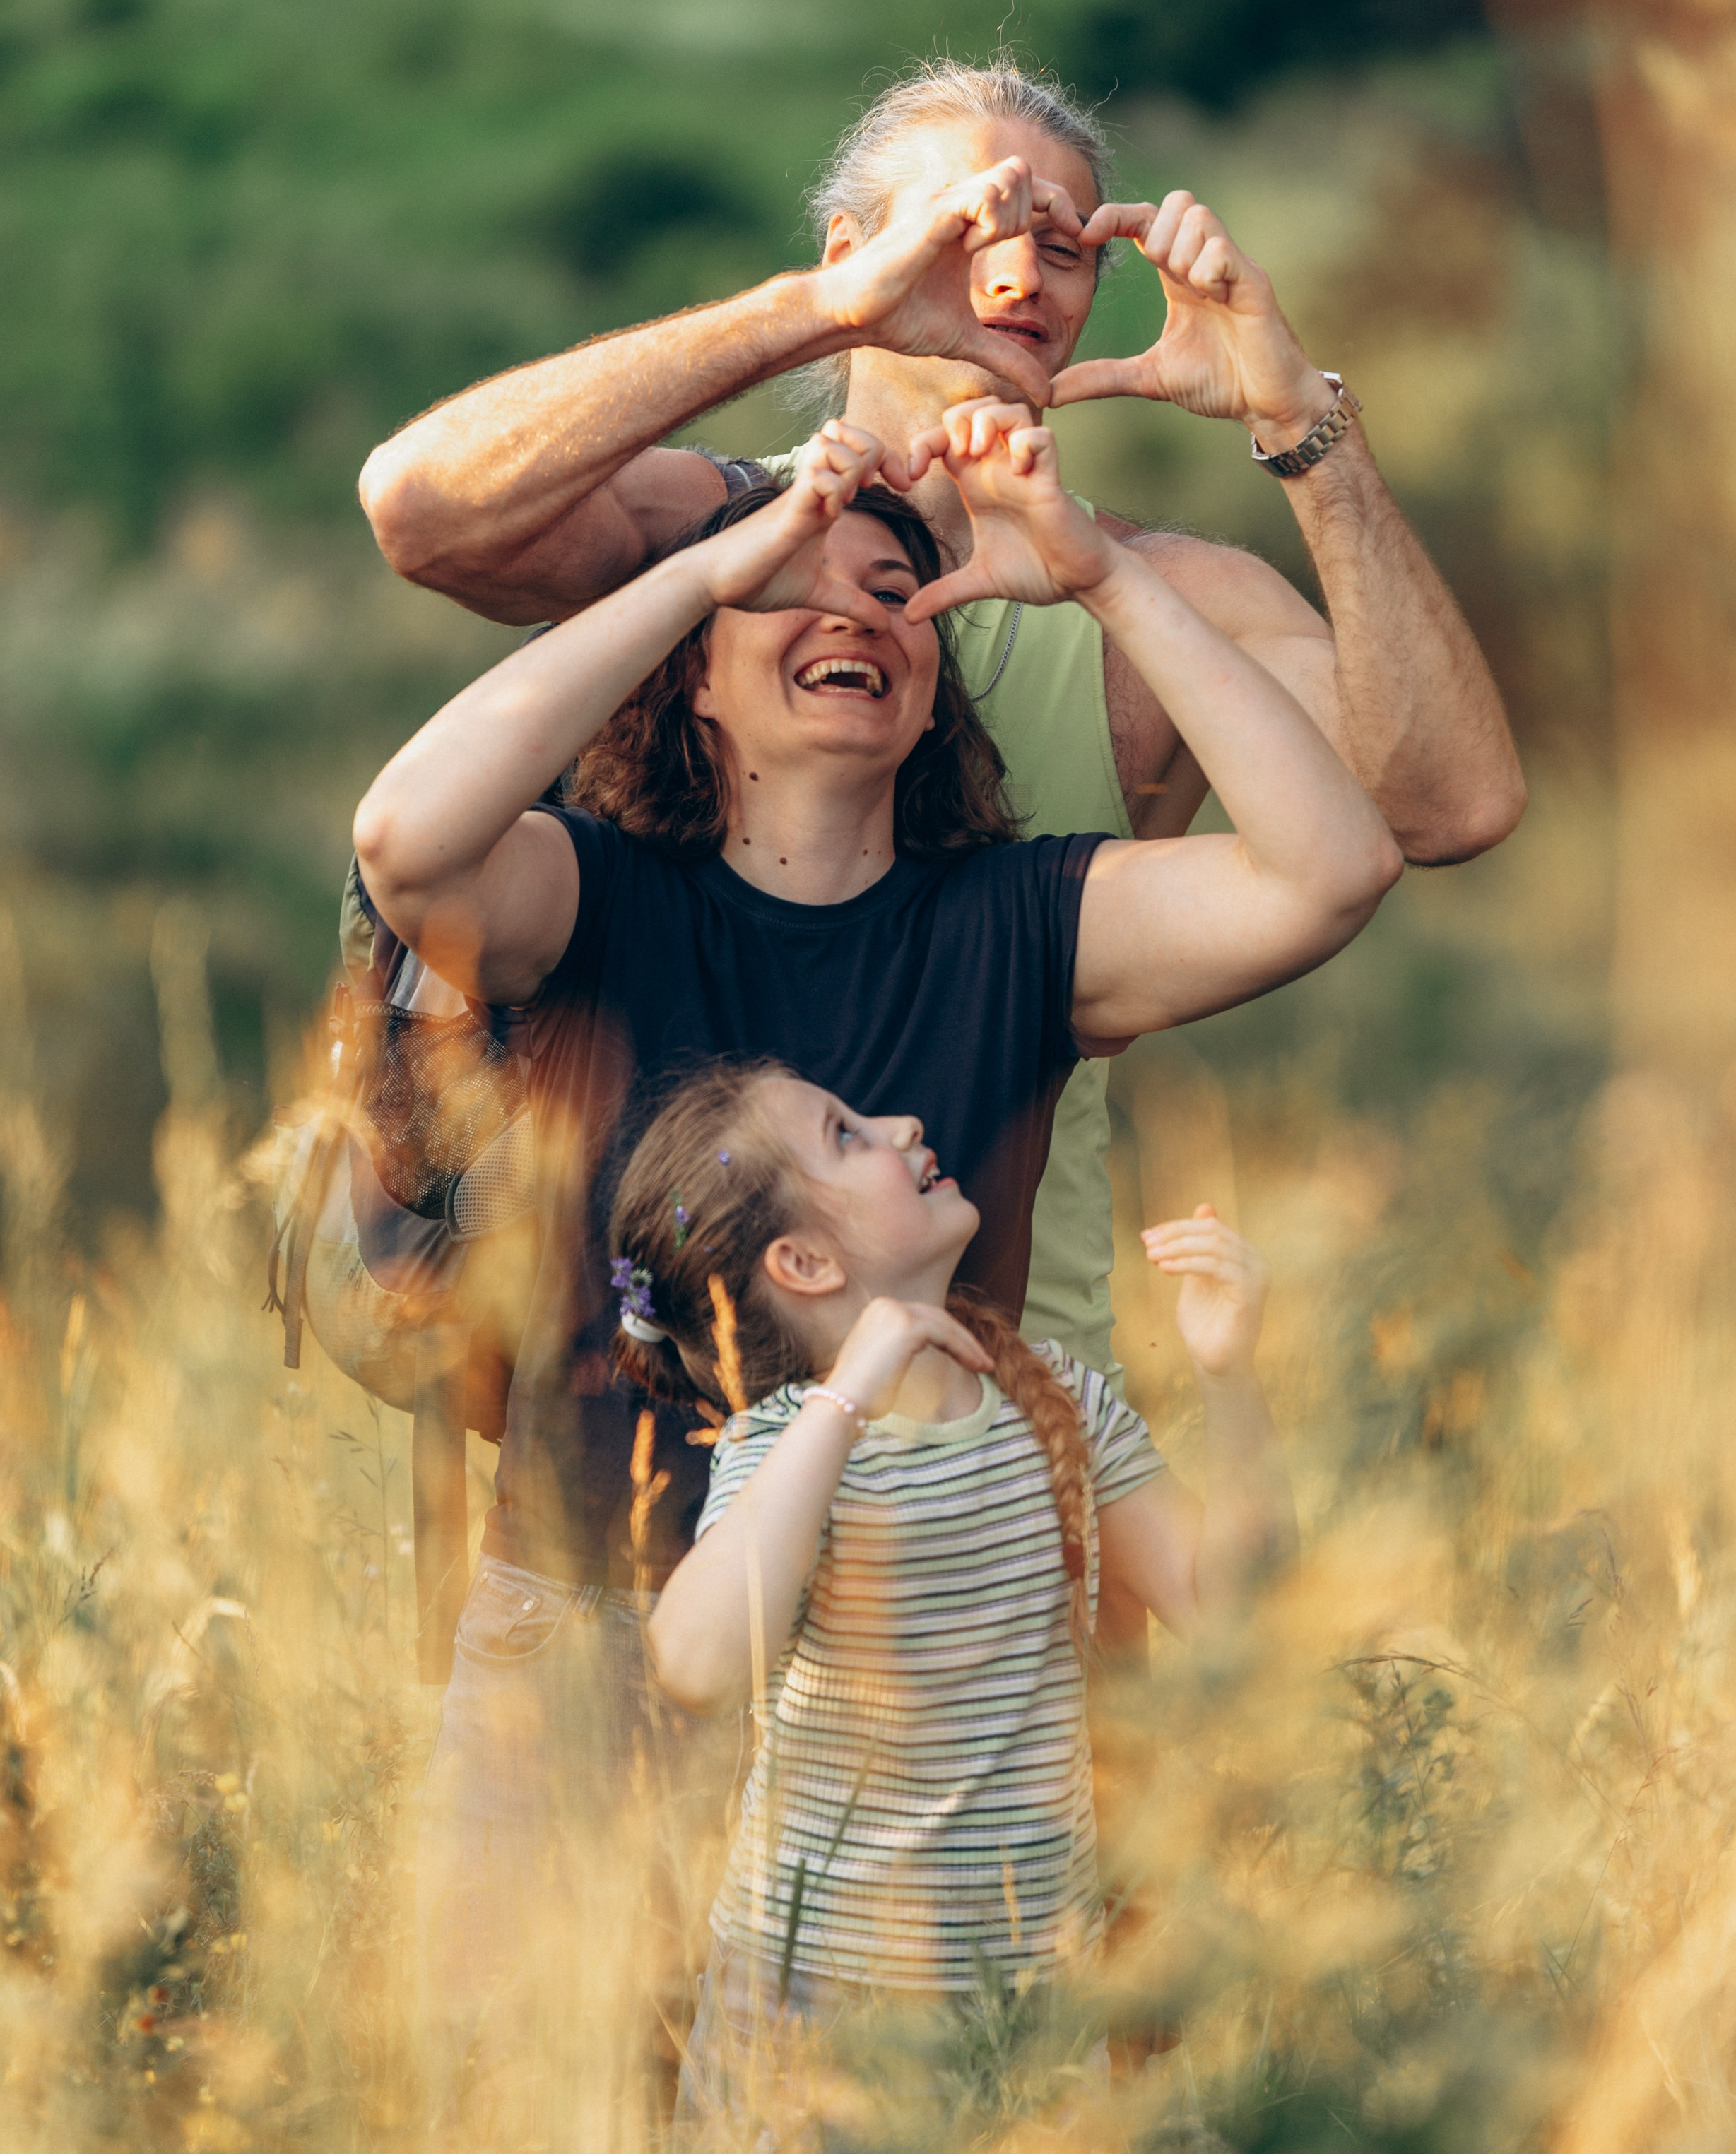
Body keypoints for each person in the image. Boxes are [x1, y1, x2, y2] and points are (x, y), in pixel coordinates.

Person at [353, 401, 1397, 2119]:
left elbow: (1331, 869)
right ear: (697, 676)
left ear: (932, 679)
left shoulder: (1016, 919)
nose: (850, 612)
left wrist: (1102, 578)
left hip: (917, 1660)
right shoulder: (597, 897)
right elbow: (408, 839)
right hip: (595, 1617)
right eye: (792, 593)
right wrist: (710, 559)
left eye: (896, 594)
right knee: (516, 2101)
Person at [358, 57, 1525, 1380]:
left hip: (1004, 1381)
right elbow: (421, 511)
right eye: (964, 230)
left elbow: (1448, 809)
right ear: (859, 250)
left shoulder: (1160, 606)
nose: (1017, 277)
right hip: (628, 1377)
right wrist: (817, 312)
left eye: (1060, 246)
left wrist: (1297, 415)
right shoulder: (705, 544)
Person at [603, 1058, 1291, 2125]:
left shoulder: (1053, 1403)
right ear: (804, 1261)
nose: (903, 1123)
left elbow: (1233, 1613)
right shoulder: (786, 1452)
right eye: (846, 1134)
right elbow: (693, 1663)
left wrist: (1228, 1374)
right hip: (814, 2025)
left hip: (1027, 2010)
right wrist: (848, 1398)